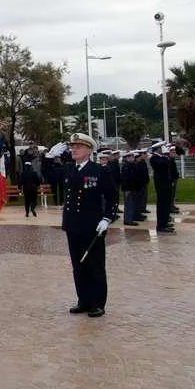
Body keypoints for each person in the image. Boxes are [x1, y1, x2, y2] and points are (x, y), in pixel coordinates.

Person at [62, 133, 118, 318]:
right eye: (72, 147)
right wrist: (48, 158)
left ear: (88, 150)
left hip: (92, 226)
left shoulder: (99, 171)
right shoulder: (70, 170)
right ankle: (83, 300)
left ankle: (97, 303)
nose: (74, 150)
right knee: (78, 266)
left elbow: (112, 198)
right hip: (72, 225)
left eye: (78, 147)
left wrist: (107, 218)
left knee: (95, 265)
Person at [150, 143, 175, 233]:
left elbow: (168, 164)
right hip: (161, 185)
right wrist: (165, 156)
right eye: (161, 148)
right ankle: (160, 225)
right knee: (161, 205)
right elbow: (162, 164)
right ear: (157, 149)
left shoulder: (161, 157)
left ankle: (164, 222)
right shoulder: (154, 158)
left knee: (166, 204)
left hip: (165, 183)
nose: (162, 149)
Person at [120, 151, 139, 226]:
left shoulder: (131, 165)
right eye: (131, 157)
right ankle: (128, 220)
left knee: (131, 204)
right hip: (128, 189)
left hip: (132, 188)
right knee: (129, 204)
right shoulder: (126, 167)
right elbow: (125, 179)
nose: (133, 158)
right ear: (127, 158)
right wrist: (127, 189)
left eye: (133, 157)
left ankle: (129, 219)